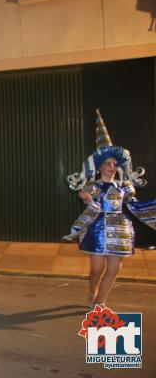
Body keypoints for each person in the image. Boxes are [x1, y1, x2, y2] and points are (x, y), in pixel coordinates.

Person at [64, 110, 156, 309]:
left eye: (114, 164)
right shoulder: (93, 186)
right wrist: (86, 197)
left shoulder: (125, 186)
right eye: (107, 163)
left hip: (120, 230)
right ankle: (92, 290)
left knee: (114, 269)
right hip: (97, 228)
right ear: (99, 166)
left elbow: (135, 205)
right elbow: (86, 197)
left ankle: (100, 301)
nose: (112, 167)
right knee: (97, 268)